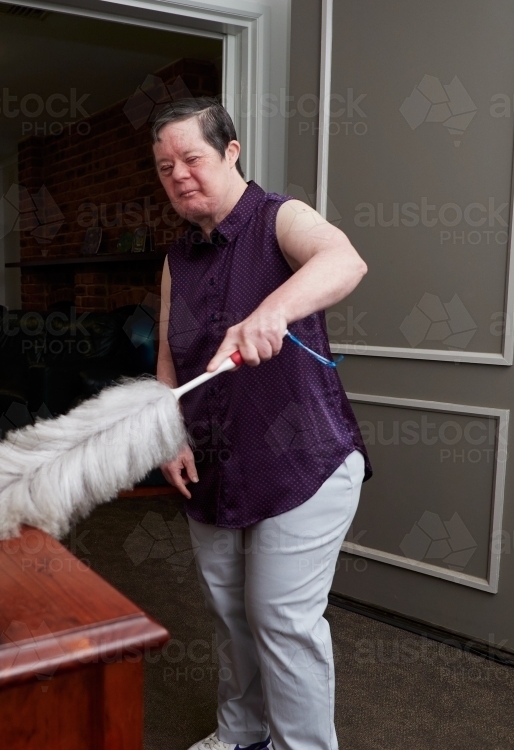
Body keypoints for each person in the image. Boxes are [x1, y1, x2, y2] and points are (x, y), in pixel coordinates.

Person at [153, 98, 371, 750]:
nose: (179, 175)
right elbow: (169, 359)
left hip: (301, 464)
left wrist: (270, 311)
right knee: (229, 614)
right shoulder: (176, 259)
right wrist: (169, 434)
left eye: (192, 157)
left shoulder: (282, 218)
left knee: (280, 617)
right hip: (214, 464)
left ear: (231, 151)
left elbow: (344, 261)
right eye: (165, 167)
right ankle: (241, 733)